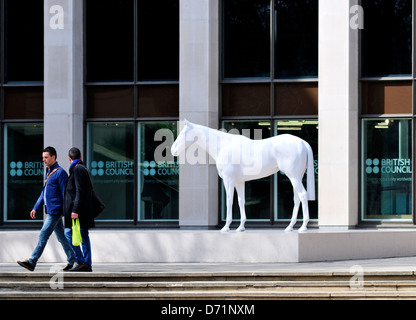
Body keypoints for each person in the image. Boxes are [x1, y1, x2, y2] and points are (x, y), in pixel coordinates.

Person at [17, 146, 75, 272]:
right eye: (43, 157)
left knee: (43, 234)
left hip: (55, 212)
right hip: (51, 210)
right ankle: (73, 259)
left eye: (46, 157)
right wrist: (35, 207)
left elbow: (66, 194)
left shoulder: (60, 173)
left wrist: (65, 211)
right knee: (61, 238)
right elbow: (44, 192)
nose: (43, 160)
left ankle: (32, 261)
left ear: (53, 157)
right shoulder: (48, 172)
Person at [64, 147, 95, 272]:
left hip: (79, 211)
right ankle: (86, 263)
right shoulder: (83, 168)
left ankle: (82, 261)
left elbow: (79, 191)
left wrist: (75, 210)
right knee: (83, 236)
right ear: (81, 157)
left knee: (69, 233)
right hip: (84, 210)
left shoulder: (76, 169)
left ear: (69, 158)